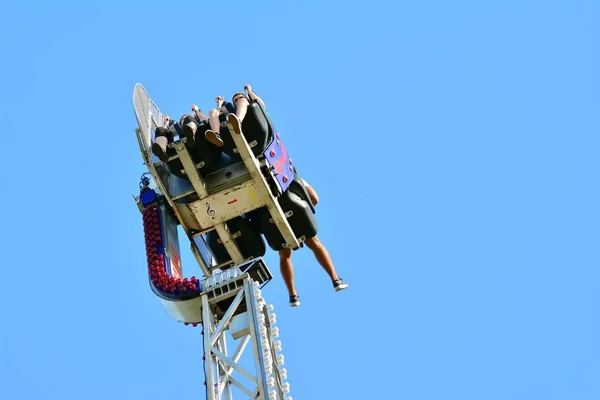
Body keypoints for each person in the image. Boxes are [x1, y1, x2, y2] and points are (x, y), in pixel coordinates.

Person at [279, 178, 349, 307]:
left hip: (271, 220)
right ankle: (335, 280)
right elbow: (314, 198)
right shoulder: (287, 172)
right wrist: (302, 215)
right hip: (293, 211)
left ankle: (293, 296)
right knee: (315, 243)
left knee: (285, 255)